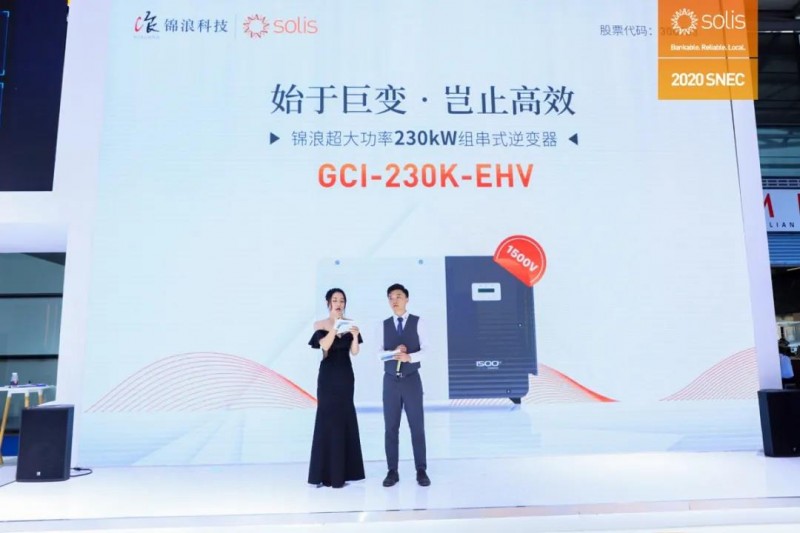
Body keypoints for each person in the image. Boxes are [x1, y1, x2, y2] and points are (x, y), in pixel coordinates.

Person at [307, 288, 365, 488]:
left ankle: (345, 472)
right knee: (327, 418)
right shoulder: (320, 325)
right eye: (335, 300)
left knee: (344, 417)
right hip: (328, 376)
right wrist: (335, 326)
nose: (339, 303)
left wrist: (354, 336)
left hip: (346, 375)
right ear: (328, 303)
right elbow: (325, 346)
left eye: (342, 300)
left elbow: (354, 352)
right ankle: (324, 473)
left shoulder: (350, 324)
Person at [380, 283, 430, 487]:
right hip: (390, 381)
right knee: (391, 427)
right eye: (391, 297)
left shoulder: (419, 322)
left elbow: (426, 350)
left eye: (398, 296)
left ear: (407, 299)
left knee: (417, 426)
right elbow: (378, 354)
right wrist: (393, 353)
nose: (395, 300)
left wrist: (410, 357)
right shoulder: (383, 325)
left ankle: (421, 470)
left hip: (411, 380)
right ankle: (392, 471)